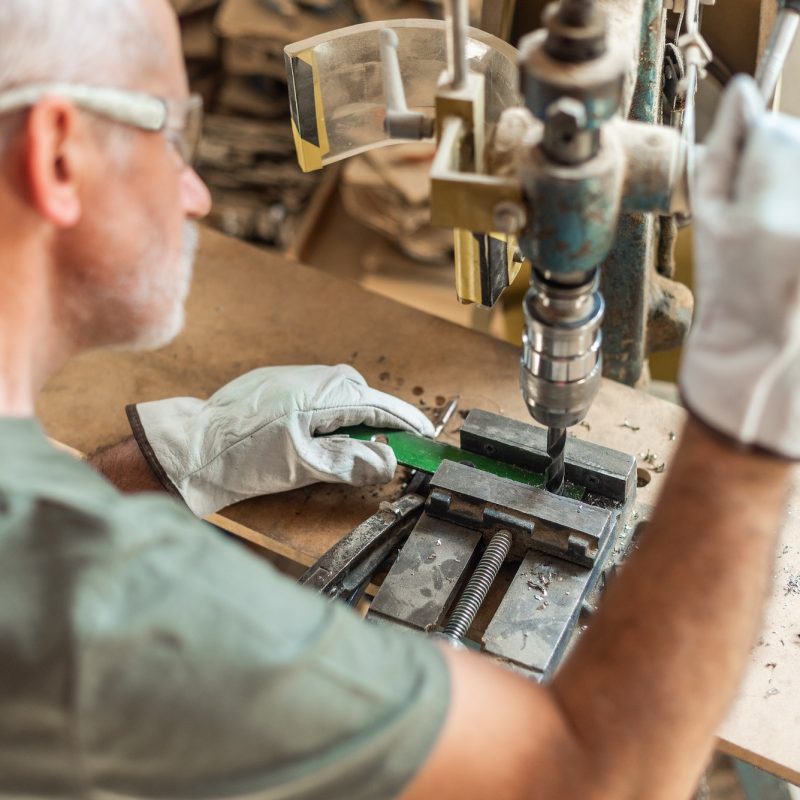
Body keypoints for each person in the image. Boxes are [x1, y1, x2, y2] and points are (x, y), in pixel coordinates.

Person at [0, 0, 796, 798]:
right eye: (175, 138)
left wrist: (162, 462)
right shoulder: (115, 609)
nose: (197, 193)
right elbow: (600, 776)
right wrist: (747, 431)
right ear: (59, 156)